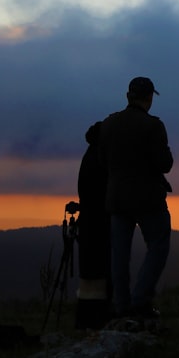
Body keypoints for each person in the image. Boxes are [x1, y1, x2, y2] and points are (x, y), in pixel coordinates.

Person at [99, 76, 174, 318]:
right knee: (158, 246)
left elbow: (102, 160)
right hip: (148, 198)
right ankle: (140, 301)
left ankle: (121, 307)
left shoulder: (109, 124)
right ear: (150, 97)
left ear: (128, 96)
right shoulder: (153, 126)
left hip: (117, 198)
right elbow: (165, 164)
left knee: (119, 255)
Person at [76, 120, 111, 329]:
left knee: (89, 274)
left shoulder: (89, 155)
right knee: (100, 270)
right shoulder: (101, 157)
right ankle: (98, 318)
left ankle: (85, 318)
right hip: (99, 223)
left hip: (88, 222)